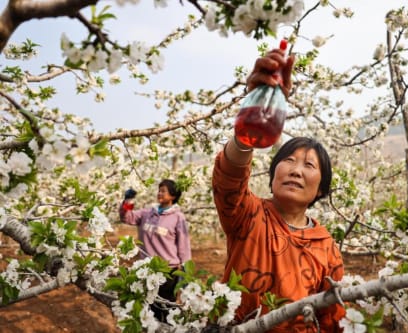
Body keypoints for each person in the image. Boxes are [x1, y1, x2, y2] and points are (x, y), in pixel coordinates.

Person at [212, 47, 345, 332]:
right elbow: (229, 177)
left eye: (309, 165)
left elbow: (332, 318)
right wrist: (253, 110)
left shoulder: (326, 247)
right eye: (288, 160)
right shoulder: (248, 215)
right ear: (273, 176)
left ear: (321, 189)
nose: (296, 170)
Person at [119, 179, 191, 321]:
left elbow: (184, 246)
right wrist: (128, 200)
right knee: (147, 309)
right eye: (159, 190)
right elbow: (126, 217)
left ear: (173, 196)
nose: (159, 193)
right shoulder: (148, 213)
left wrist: (185, 273)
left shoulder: (178, 218)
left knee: (165, 309)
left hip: (167, 271)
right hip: (146, 268)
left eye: (163, 191)